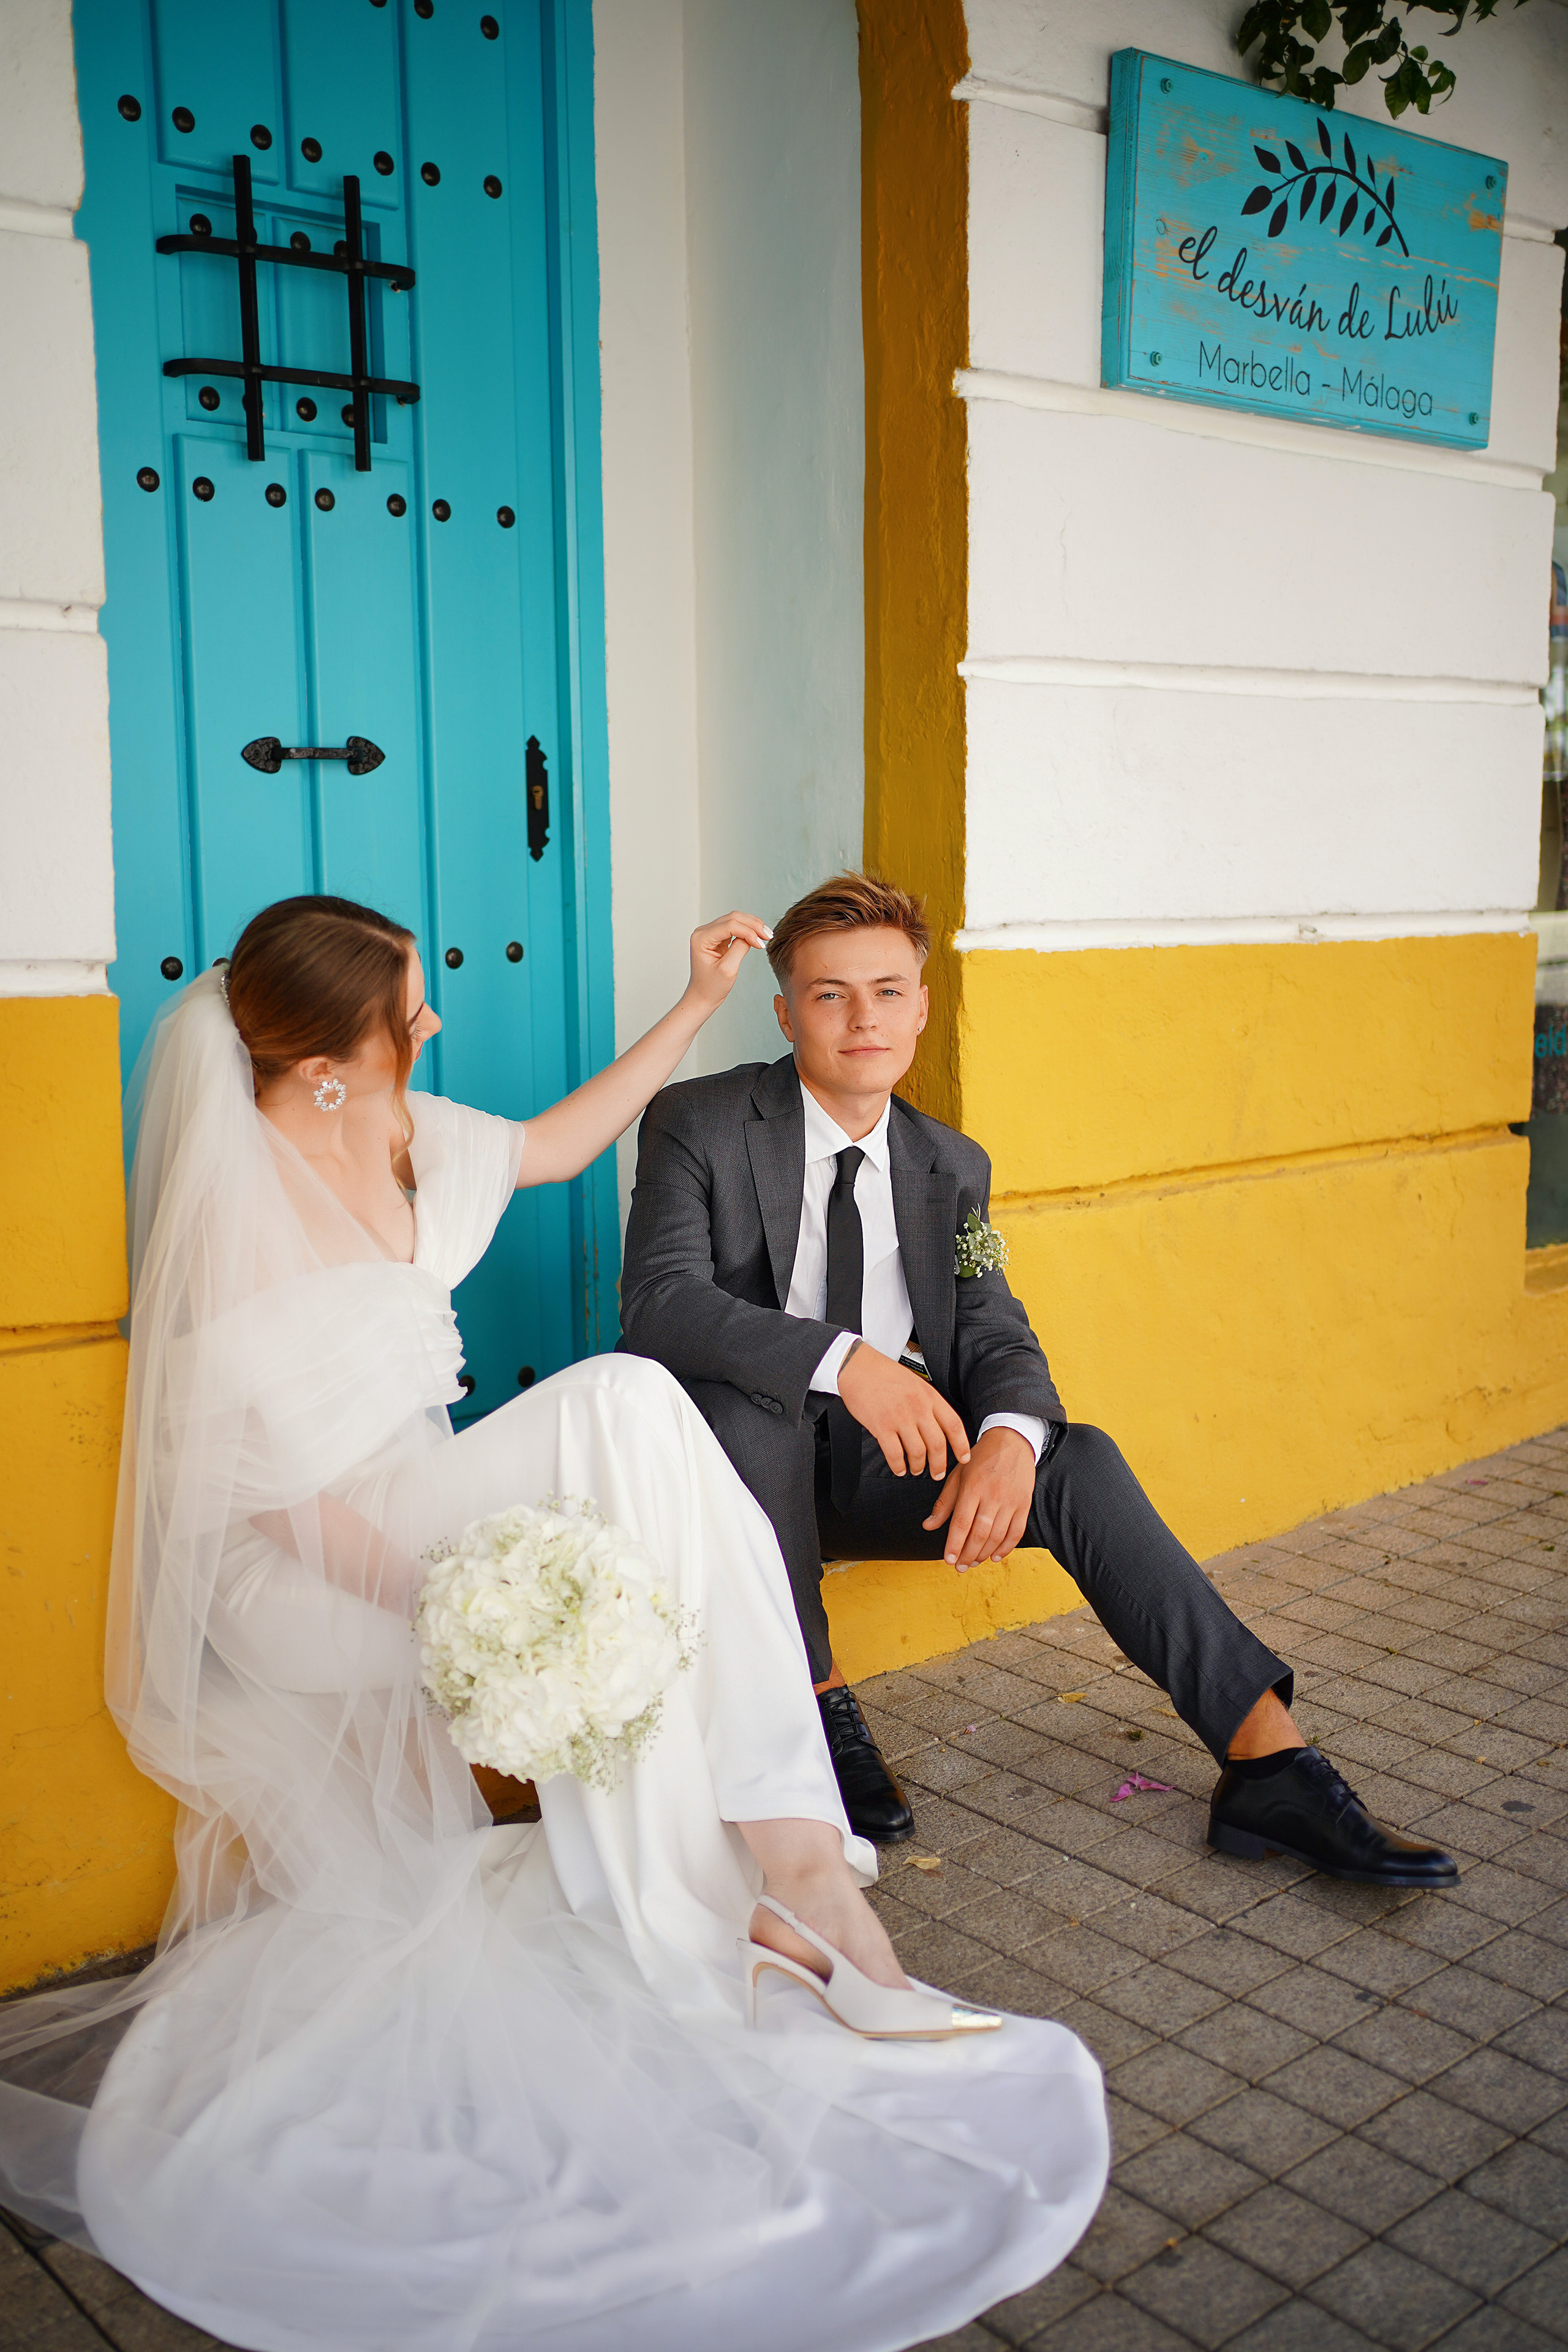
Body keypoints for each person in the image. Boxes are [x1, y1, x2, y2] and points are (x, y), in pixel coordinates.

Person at [0, 894, 1108, 2352]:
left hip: (413, 1508)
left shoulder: (394, 1130)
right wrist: (482, 1603)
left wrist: (699, 1000)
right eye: (411, 1005)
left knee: (635, 1436)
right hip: (313, 1575)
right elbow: (269, 1510)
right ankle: (785, 1866)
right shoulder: (232, 1215)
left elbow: (562, 1140)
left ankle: (781, 1863)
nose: (436, 1019)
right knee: (622, 1415)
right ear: (331, 1059)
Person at [619, 872, 1460, 1889]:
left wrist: (1013, 1440)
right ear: (787, 1007)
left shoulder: (949, 1166)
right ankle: (817, 1701)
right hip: (738, 1481)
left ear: (922, 1007)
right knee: (745, 1408)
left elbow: (994, 1329)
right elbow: (660, 1304)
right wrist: (848, 1363)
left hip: (883, 1472)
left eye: (888, 991)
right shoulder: (698, 1121)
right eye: (831, 993)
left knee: (1078, 1456)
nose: (863, 1018)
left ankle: (1268, 1760)